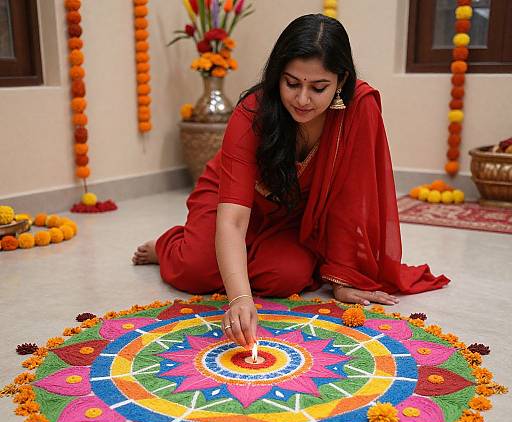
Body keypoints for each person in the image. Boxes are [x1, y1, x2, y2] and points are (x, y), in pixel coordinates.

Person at [133, 14, 449, 350]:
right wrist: (239, 298)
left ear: (341, 80)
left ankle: (235, 260)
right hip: (230, 200)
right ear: (277, 76)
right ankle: (168, 245)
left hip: (293, 214)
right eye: (292, 83)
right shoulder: (252, 112)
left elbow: (349, 198)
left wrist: (343, 276)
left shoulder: (359, 109)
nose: (302, 99)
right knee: (195, 270)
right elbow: (234, 218)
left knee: (288, 277)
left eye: (318, 87)